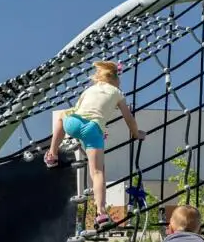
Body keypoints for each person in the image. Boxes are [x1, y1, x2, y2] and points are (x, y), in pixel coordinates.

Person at [44, 61, 145, 226]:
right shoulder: (117, 93)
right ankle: (101, 213)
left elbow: (77, 110)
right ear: (114, 78)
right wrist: (136, 134)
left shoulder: (89, 89)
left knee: (62, 116)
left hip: (75, 122)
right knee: (97, 172)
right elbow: (129, 119)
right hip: (93, 130)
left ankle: (52, 155)